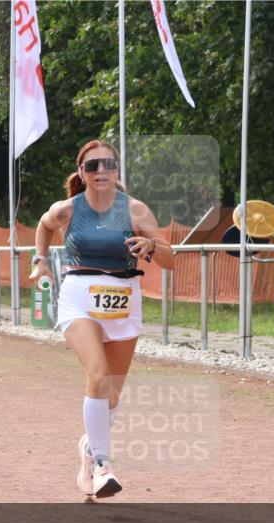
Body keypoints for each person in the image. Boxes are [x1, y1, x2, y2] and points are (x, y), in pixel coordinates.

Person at [29, 140, 175, 498]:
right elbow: (44, 226)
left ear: (116, 169)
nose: (100, 171)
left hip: (124, 302)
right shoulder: (66, 210)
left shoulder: (136, 210)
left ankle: (88, 448)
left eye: (107, 164)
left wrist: (151, 247)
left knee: (110, 395)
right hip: (79, 298)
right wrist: (40, 261)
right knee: (97, 376)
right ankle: (102, 465)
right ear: (81, 172)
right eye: (92, 166)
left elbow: (170, 259)